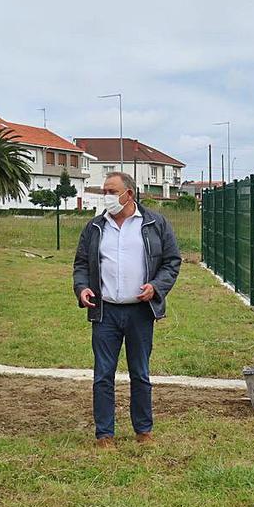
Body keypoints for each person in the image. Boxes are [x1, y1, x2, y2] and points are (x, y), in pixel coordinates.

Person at [72, 172, 181, 449]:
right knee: (103, 374)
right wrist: (82, 287)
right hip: (105, 311)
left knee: (140, 373)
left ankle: (143, 430)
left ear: (128, 194)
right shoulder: (95, 227)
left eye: (111, 191)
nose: (106, 196)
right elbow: (82, 263)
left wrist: (156, 287)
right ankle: (104, 434)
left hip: (140, 312)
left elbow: (172, 261)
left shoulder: (155, 224)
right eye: (105, 191)